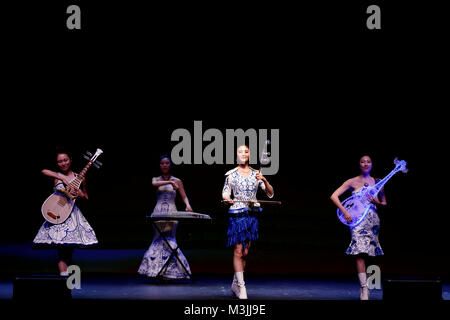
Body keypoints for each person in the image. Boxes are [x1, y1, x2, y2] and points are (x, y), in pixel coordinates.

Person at [33, 149, 98, 276]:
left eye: (65, 160)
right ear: (57, 163)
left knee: (69, 249)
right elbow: (43, 171)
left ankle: (67, 276)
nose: (63, 163)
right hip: (57, 213)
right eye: (60, 161)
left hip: (72, 214)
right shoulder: (56, 175)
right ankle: (63, 276)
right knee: (61, 249)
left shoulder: (78, 176)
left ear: (70, 160)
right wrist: (61, 177)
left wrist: (82, 189)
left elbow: (86, 198)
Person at [330, 155, 386, 300]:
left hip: (373, 220)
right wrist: (345, 211)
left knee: (371, 255)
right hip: (357, 220)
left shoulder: (377, 182)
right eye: (362, 161)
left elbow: (384, 203)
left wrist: (377, 202)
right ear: (359, 164)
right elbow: (334, 196)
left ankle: (366, 287)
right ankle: (364, 289)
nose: (365, 163)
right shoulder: (352, 181)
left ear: (372, 164)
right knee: (360, 253)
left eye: (368, 161)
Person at [222, 145, 274, 299]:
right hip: (237, 215)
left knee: (245, 252)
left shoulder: (256, 174)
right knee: (238, 251)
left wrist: (264, 179)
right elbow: (225, 192)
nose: (243, 154)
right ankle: (242, 288)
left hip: (252, 215)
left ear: (249, 155)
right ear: (236, 155)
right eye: (240, 152)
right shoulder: (231, 175)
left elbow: (270, 193)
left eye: (246, 151)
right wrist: (227, 199)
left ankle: (235, 284)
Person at [138, 155, 193, 280]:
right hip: (158, 212)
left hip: (172, 212)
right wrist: (169, 182)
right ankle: (155, 270)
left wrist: (188, 205)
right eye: (162, 163)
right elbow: (154, 184)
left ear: (170, 165)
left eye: (167, 163)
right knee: (158, 239)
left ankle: (170, 271)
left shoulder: (177, 180)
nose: (164, 165)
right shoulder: (156, 179)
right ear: (160, 165)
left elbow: (184, 196)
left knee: (170, 239)